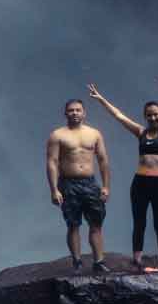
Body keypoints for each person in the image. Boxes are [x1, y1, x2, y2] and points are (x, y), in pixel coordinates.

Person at [86, 76, 158, 270]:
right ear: (145, 117)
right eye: (149, 115)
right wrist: (101, 98)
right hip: (140, 184)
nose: (153, 118)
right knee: (139, 222)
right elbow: (119, 116)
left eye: (156, 115)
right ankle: (137, 259)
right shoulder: (141, 132)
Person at [45, 98, 110, 274]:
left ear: (84, 113)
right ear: (65, 113)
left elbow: (103, 160)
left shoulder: (94, 134)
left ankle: (99, 261)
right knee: (73, 224)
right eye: (71, 110)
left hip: (89, 183)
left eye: (78, 110)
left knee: (96, 224)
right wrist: (54, 190)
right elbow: (52, 162)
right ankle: (77, 262)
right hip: (68, 184)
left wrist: (105, 186)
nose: (75, 113)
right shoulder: (58, 135)